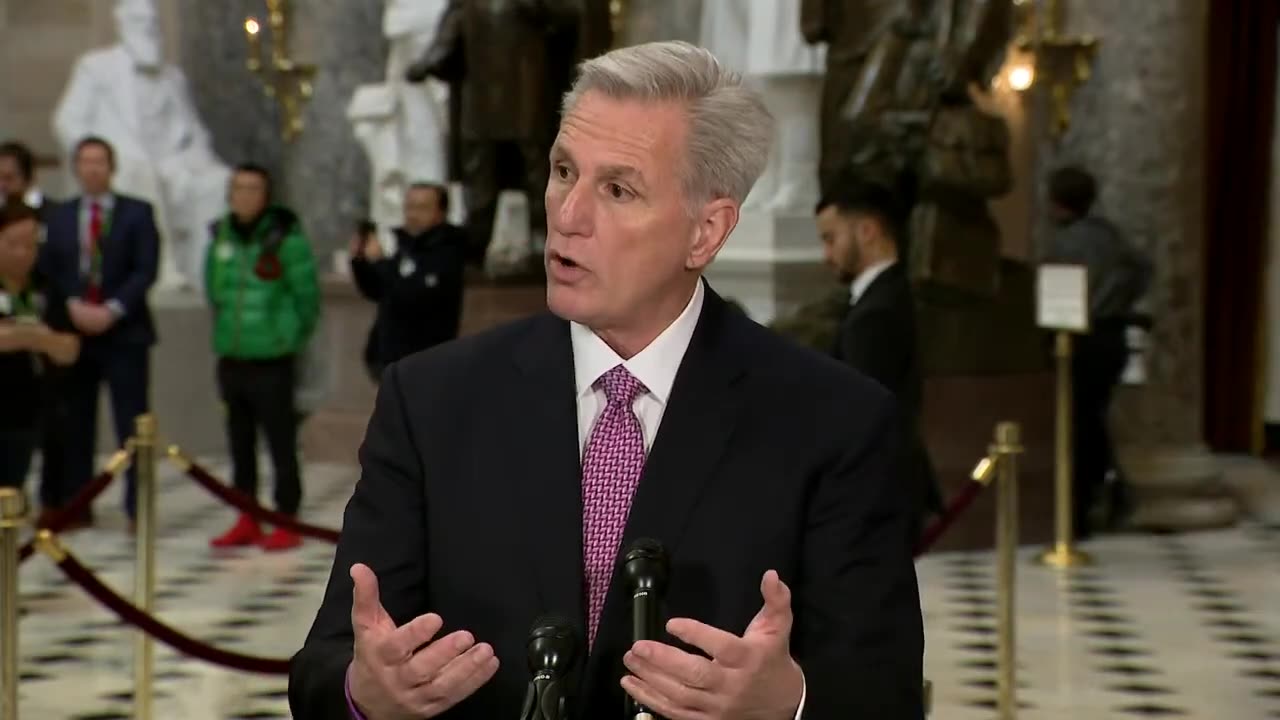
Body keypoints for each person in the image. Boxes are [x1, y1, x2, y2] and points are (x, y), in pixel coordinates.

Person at [290, 41, 923, 719]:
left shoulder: (834, 423)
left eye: (617, 189)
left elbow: (883, 694)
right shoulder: (431, 402)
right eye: (564, 171)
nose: (567, 216)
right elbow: (326, 669)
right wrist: (366, 695)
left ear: (706, 232)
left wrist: (791, 704)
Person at [40, 136, 159, 530]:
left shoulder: (137, 213)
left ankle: (136, 507)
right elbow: (52, 269)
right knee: (75, 423)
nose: (93, 169)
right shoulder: (60, 216)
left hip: (124, 333)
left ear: (111, 167)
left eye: (100, 162)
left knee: (131, 425)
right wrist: (72, 302)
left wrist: (112, 309)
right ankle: (78, 504)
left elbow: (145, 269)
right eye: (85, 162)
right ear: (76, 168)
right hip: (74, 333)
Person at [816, 179, 943, 532]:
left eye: (831, 239)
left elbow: (862, 419)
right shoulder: (890, 295)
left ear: (868, 231)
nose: (826, 255)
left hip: (875, 495)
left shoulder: (877, 313)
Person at [205, 164, 320, 552]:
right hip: (232, 356)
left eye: (253, 189)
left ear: (266, 195)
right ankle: (246, 515)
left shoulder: (286, 237)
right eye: (238, 188)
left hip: (272, 359)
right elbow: (213, 288)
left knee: (280, 442)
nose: (244, 196)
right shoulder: (221, 234)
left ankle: (286, 517)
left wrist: (287, 336)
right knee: (239, 443)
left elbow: (307, 299)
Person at [1040, 166, 1152, 538]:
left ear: (1057, 203)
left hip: (1079, 339)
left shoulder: (1064, 244)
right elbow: (1144, 268)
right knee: (1093, 419)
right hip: (1112, 335)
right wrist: (1119, 299)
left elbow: (1051, 294)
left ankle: (1081, 510)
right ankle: (1111, 491)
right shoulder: (1112, 237)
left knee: (1078, 426)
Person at [351, 183, 467, 382]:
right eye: (409, 207)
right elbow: (378, 291)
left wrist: (380, 262)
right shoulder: (405, 247)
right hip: (390, 361)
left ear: (440, 213)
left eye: (422, 208)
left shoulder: (448, 251)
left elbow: (413, 297)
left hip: (426, 363)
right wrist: (360, 262)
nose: (412, 214)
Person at [0, 202, 79, 492]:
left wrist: (27, 336)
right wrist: (36, 337)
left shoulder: (45, 287)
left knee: (12, 489)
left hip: (27, 407)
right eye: (13, 244)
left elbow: (69, 348)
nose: (22, 253)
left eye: (30, 246)